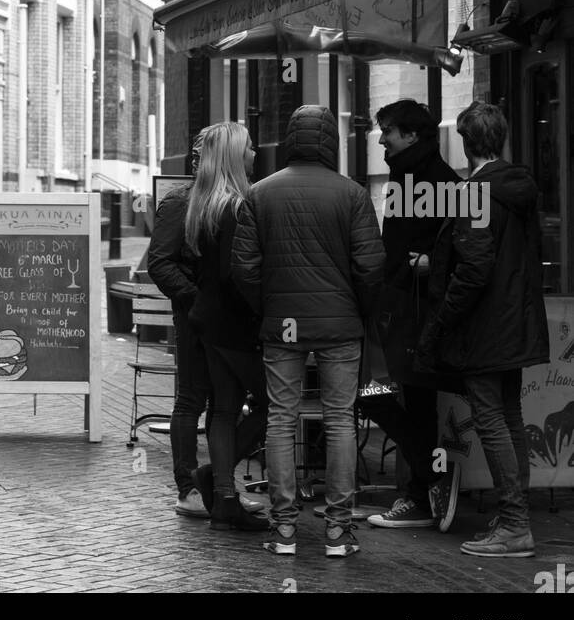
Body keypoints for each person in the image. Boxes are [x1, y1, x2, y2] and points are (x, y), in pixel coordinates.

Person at [233, 105, 385, 557]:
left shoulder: (259, 194)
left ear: (289, 138)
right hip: (341, 324)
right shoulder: (353, 193)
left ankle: (283, 530)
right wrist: (360, 311)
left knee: (281, 417)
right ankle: (338, 531)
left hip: (283, 325)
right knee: (341, 419)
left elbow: (244, 267)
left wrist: (269, 308)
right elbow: (371, 266)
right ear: (331, 142)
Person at [414, 101, 549, 558]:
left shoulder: (475, 194)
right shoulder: (517, 186)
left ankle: (514, 526)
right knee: (509, 416)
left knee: (492, 419)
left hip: (484, 327)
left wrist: (440, 323)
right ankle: (516, 518)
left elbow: (474, 270)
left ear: (466, 144)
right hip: (515, 322)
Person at [365, 99, 462, 531]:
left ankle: (423, 490)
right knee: (391, 397)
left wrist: (421, 266)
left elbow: (460, 250)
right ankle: (426, 481)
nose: (382, 138)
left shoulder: (438, 181)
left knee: (399, 397)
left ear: (412, 134)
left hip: (417, 312)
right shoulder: (407, 176)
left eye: (388, 130)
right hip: (402, 307)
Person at [184, 122, 268, 532]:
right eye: (250, 149)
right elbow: (237, 274)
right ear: (235, 157)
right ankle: (218, 480)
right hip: (234, 327)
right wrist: (262, 309)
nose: (256, 154)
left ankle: (224, 498)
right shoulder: (237, 206)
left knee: (224, 410)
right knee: (275, 406)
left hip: (208, 322)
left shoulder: (203, 203)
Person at [147, 128, 211, 517]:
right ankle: (188, 487)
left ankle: (217, 484)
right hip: (194, 321)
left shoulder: (242, 199)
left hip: (231, 323)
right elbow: (160, 262)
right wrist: (196, 300)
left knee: (226, 404)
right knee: (190, 401)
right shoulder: (179, 202)